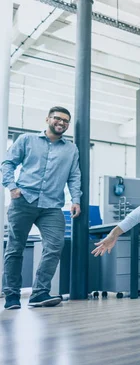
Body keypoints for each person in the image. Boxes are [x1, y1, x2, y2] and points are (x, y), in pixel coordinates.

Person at [2, 106, 81, 309]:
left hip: (52, 206)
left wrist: (75, 199)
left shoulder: (71, 149)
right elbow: (7, 163)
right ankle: (11, 295)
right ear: (48, 119)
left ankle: (39, 293)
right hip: (23, 201)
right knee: (15, 248)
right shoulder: (27, 140)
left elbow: (74, 176)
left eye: (65, 120)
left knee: (54, 247)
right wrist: (12, 187)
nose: (61, 123)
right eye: (57, 118)